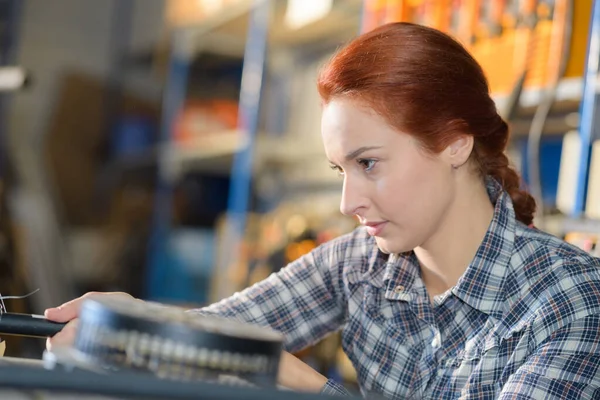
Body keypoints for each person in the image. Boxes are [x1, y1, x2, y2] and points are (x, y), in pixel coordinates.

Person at [45, 22, 600, 399]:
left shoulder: (568, 301)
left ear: (455, 144)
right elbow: (221, 335)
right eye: (341, 170)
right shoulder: (360, 264)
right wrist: (132, 319)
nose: (347, 202)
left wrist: (306, 386)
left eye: (369, 163)